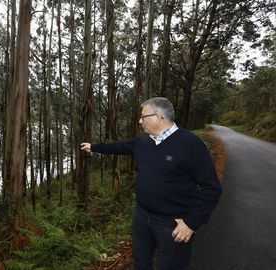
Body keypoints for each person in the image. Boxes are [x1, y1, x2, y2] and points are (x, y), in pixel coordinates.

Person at [80, 97, 222, 270]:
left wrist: (192, 222)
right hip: (141, 216)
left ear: (159, 117)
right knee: (140, 261)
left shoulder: (190, 144)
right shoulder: (144, 141)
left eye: (143, 116)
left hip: (172, 223)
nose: (140, 121)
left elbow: (212, 188)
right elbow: (121, 147)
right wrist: (94, 147)